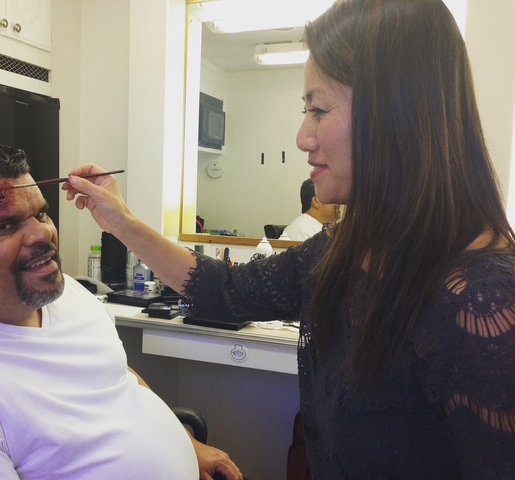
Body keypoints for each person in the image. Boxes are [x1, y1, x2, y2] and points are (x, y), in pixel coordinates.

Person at [63, 0, 515, 477]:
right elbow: (225, 290)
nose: (302, 137)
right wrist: (120, 220)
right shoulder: (342, 250)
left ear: (395, 113)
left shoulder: (485, 302)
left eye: (318, 110)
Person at [0, 139, 243, 480]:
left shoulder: (66, 295)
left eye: (41, 214)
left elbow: (117, 376)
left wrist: (187, 445)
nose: (43, 234)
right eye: (5, 225)